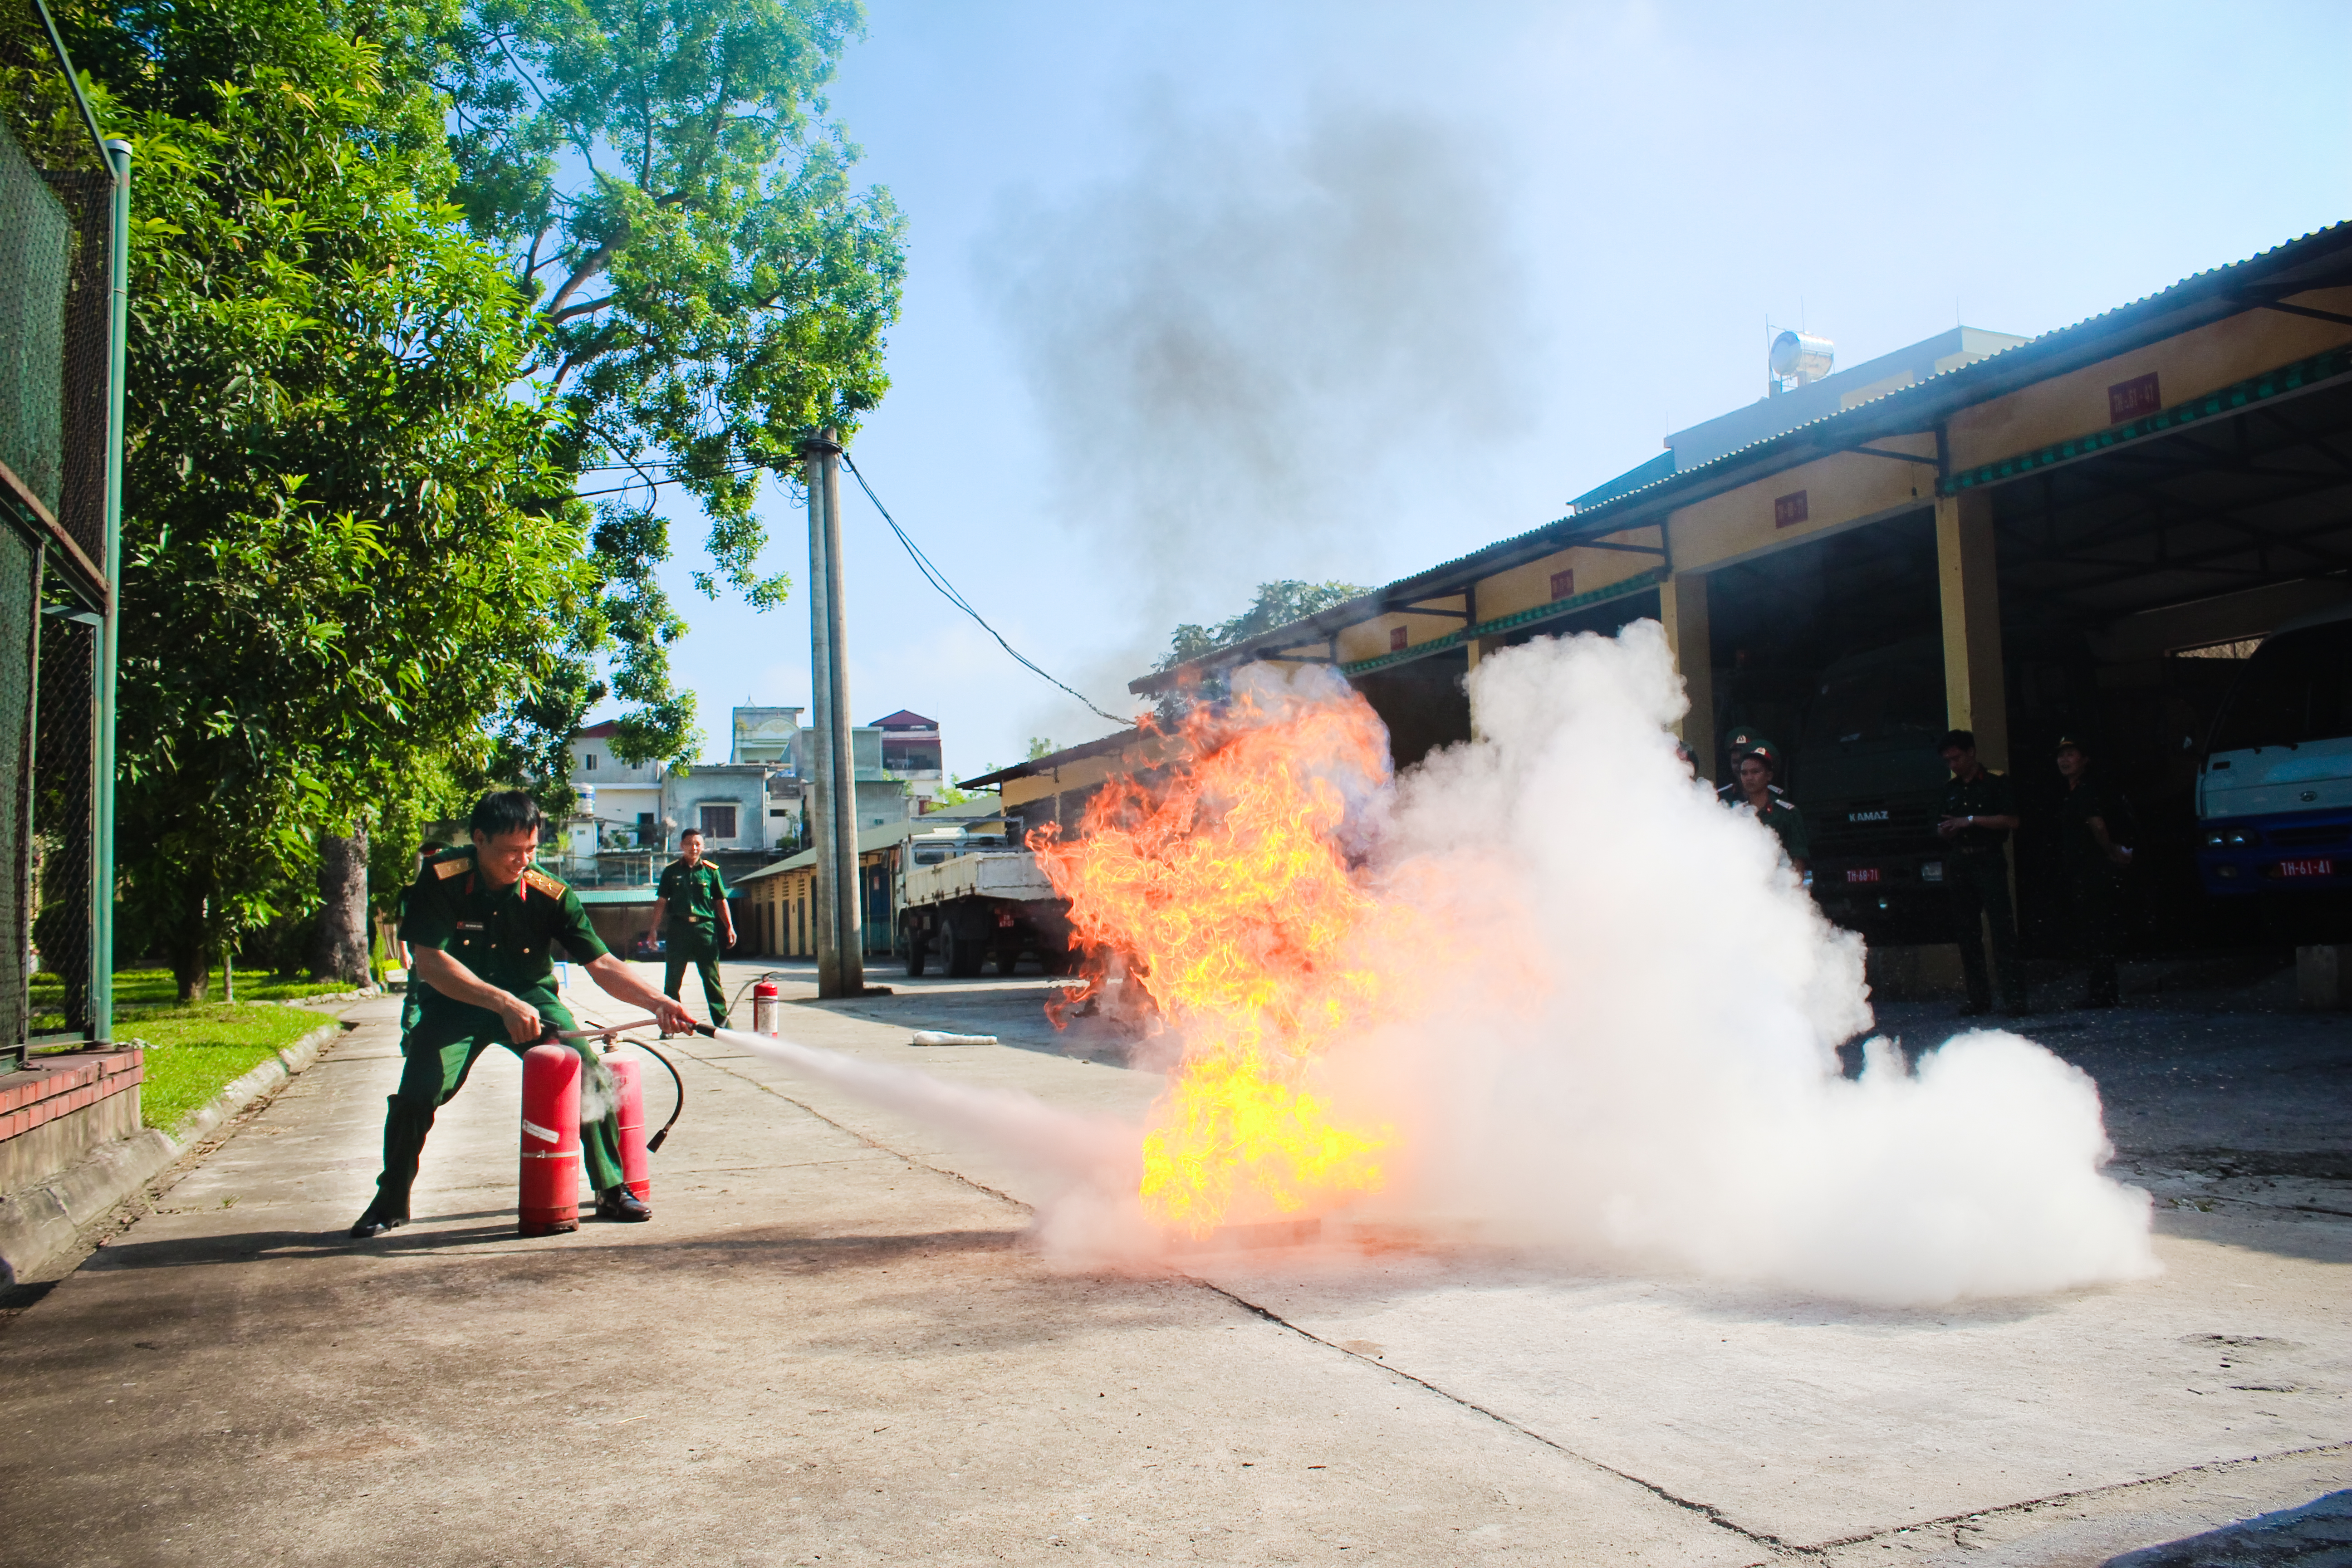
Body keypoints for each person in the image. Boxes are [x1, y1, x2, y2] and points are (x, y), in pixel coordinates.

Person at [350, 791, 695, 1239]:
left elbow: (603, 964)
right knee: (418, 1092)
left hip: (533, 998)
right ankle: (390, 1201)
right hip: (456, 1001)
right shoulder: (442, 878)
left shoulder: (550, 892)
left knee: (587, 1071)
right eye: (513, 851)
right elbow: (430, 961)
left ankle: (611, 1189)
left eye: (531, 849)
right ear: (479, 840)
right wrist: (501, 1003)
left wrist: (657, 1001)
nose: (523, 861)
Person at [1935, 729, 2027, 1017]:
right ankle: (1979, 999)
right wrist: (1947, 830)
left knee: (2002, 931)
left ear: (1971, 752)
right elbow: (1942, 826)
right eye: (1948, 761)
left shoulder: (1996, 782)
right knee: (1967, 933)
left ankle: (2015, 999)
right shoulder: (1950, 790)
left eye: (1957, 758)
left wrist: (1971, 821)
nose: (1953, 765)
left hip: (1988, 860)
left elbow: (2011, 820)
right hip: (1961, 862)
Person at [2056, 735, 2133, 1008]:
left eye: (2071, 754)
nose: (2065, 760)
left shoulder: (2088, 790)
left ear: (2085, 759)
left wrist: (2110, 850)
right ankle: (2101, 989)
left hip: (2093, 869)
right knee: (2093, 932)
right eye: (2061, 755)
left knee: (2098, 931)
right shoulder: (2074, 790)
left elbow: (2097, 825)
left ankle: (2103, 992)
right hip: (2082, 869)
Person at [653, 828, 736, 1029]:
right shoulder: (671, 872)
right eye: (690, 844)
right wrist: (653, 930)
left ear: (703, 847)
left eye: (698, 844)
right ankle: (671, 1025)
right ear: (682, 846)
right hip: (678, 929)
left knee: (711, 978)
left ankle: (723, 1023)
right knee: (673, 979)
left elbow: (721, 902)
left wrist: (730, 927)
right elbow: (662, 902)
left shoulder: (711, 872)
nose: (694, 847)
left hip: (704, 929)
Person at [1729, 741, 1809, 877]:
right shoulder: (1736, 814)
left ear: (1769, 776)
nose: (1749, 778)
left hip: (1778, 887)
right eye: (1745, 773)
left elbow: (1798, 861)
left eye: (1756, 772)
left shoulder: (1787, 813)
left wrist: (1790, 890)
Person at [395, 839, 448, 1035]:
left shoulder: (453, 888)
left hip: (450, 952)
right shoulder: (411, 891)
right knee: (415, 996)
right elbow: (402, 922)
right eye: (427, 860)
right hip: (421, 951)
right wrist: (403, 952)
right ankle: (409, 1039)